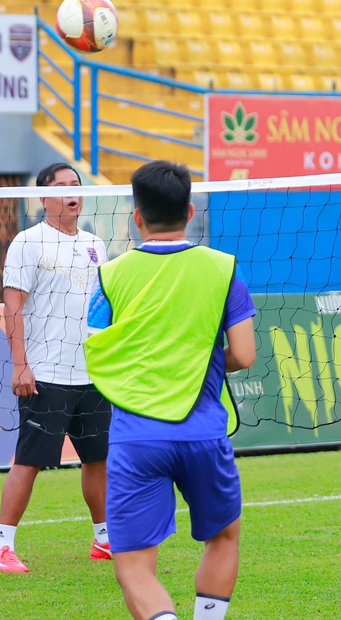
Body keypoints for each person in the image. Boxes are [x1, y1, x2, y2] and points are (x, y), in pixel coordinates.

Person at [83, 161, 256, 620]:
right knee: (223, 538)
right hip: (204, 432)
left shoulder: (111, 276)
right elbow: (243, 355)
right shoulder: (223, 270)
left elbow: (97, 351)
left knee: (134, 566)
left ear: (135, 216)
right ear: (191, 210)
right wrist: (201, 357)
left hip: (136, 437)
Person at [0, 162, 110, 573]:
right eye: (61, 186)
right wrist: (21, 366)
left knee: (98, 460)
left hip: (92, 374)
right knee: (28, 462)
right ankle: (3, 544)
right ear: (43, 198)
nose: (71, 192)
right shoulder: (28, 242)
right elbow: (14, 307)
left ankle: (103, 540)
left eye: (76, 185)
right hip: (45, 374)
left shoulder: (96, 244)